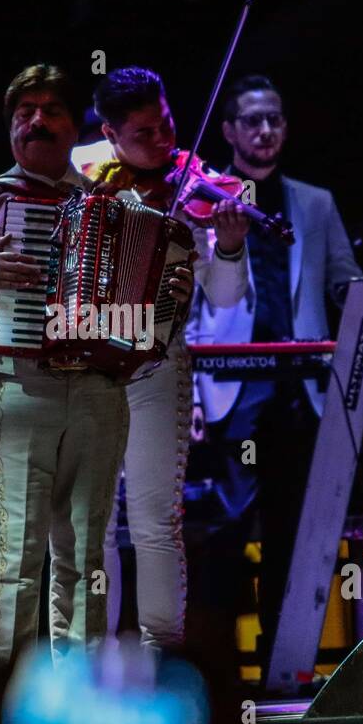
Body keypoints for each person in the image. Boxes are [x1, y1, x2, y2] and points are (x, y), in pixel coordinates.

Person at [0, 64, 189, 668]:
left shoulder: (118, 205)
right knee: (15, 559)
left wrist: (168, 298)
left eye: (50, 109)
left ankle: (76, 707)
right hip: (20, 386)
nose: (36, 120)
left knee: (86, 560)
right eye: (23, 111)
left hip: (102, 389)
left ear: (74, 127)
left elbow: (153, 308)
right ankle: (7, 710)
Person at [187, 74, 363, 670]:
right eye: (252, 120)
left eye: (274, 119)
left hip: (299, 386)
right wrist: (193, 393)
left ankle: (284, 667)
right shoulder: (203, 199)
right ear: (229, 130)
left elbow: (347, 281)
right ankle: (215, 675)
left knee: (294, 533)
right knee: (228, 533)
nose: (265, 130)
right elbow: (191, 302)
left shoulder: (313, 201)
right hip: (234, 384)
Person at [87, 66, 250, 651]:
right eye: (144, 134)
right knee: (93, 526)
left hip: (160, 362)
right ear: (110, 133)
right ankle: (93, 663)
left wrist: (229, 246)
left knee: (156, 521)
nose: (163, 143)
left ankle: (162, 656)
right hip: (87, 366)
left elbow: (227, 297)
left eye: (167, 126)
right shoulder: (82, 171)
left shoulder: (197, 185)